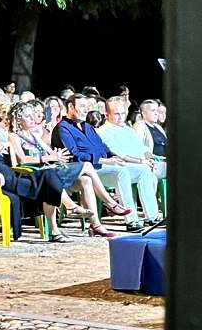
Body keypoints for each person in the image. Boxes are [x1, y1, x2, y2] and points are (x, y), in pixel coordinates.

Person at [8, 101, 129, 238]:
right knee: (87, 166)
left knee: (86, 180)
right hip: (34, 176)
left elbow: (51, 153)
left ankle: (96, 224)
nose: (32, 118)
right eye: (28, 116)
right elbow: (22, 160)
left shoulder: (34, 136)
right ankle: (110, 203)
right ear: (18, 119)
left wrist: (57, 156)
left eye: (32, 115)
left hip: (51, 171)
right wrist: (45, 159)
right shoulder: (14, 136)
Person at [0, 106, 78, 242]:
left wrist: (4, 149)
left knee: (49, 175)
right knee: (46, 180)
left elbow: (11, 162)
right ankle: (69, 208)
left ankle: (57, 227)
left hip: (9, 174)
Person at [54, 94, 161, 230]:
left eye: (87, 107)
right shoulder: (63, 128)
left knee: (144, 170)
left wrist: (112, 159)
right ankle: (131, 219)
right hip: (82, 171)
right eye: (82, 106)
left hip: (101, 166)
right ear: (70, 107)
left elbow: (103, 148)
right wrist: (106, 160)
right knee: (122, 171)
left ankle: (152, 216)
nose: (85, 110)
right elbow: (75, 155)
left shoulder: (88, 127)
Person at [99, 98, 166, 183]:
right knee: (147, 171)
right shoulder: (103, 131)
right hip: (126, 167)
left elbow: (143, 149)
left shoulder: (128, 130)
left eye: (123, 114)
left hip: (144, 164)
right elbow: (121, 155)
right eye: (117, 114)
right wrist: (142, 162)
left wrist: (150, 159)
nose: (121, 117)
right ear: (106, 114)